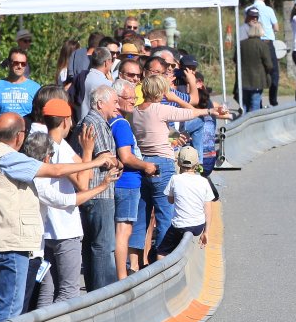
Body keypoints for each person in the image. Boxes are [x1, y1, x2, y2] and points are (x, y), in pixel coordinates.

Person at [0, 112, 116, 322]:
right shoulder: (6, 157)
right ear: (19, 136)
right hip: (11, 242)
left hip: (6, 240)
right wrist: (94, 161)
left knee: (22, 302)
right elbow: (56, 171)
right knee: (11, 309)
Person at [132, 76, 229, 260]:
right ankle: (162, 260)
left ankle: (135, 263)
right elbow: (189, 113)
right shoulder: (160, 109)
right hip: (162, 164)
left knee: (141, 217)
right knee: (164, 216)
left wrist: (173, 136)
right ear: (160, 92)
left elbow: (155, 131)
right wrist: (210, 110)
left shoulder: (136, 112)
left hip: (143, 163)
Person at [20, 126, 114, 307]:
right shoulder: (39, 180)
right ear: (46, 158)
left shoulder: (27, 172)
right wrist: (99, 179)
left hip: (43, 238)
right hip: (62, 232)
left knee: (46, 292)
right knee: (69, 292)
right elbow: (73, 193)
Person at [110, 81, 157, 278]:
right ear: (116, 99)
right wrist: (146, 166)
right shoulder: (121, 124)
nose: (133, 101)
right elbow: (126, 157)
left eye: (134, 98)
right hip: (127, 183)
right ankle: (122, 277)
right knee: (123, 231)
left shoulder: (111, 122)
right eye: (129, 98)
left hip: (119, 182)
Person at [76, 85, 120, 292]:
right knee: (103, 245)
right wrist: (119, 162)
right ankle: (104, 293)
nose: (118, 106)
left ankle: (94, 291)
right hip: (99, 192)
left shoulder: (90, 121)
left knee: (92, 245)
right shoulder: (96, 123)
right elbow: (106, 159)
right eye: (115, 102)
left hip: (92, 191)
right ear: (101, 103)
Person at [153, 146, 217, 259]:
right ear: (197, 164)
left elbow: (170, 200)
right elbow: (208, 209)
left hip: (180, 226)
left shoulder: (175, 179)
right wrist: (206, 232)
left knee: (161, 252)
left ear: (178, 163)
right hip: (198, 226)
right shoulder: (204, 181)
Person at [0, 49, 39, 140]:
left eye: (23, 64)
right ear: (9, 63)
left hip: (26, 138)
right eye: (16, 63)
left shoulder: (35, 87)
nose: (19, 66)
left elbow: (39, 116)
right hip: (1, 137)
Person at [246, 0, 281, 106]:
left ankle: (258, 101)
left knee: (257, 71)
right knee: (274, 72)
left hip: (253, 43)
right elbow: (276, 27)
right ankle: (273, 99)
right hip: (267, 43)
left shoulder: (247, 9)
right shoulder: (269, 10)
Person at [238, 19, 278, 111]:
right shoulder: (263, 45)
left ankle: (243, 119)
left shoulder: (242, 44)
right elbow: (269, 64)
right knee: (255, 103)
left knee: (244, 104)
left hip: (243, 79)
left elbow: (236, 59)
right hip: (258, 80)